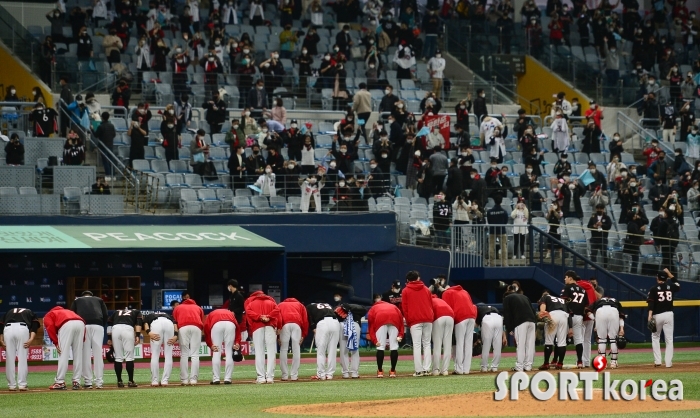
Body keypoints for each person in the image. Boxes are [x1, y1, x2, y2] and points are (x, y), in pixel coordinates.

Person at [70, 291, 108, 389]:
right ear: (91, 295)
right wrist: (101, 325)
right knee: (98, 353)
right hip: (98, 325)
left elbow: (72, 315)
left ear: (83, 295)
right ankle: (99, 382)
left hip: (84, 324)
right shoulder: (99, 300)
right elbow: (105, 315)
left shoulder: (77, 300)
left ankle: (88, 382)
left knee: (85, 354)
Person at [44, 306, 85, 390]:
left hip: (66, 324)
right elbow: (80, 320)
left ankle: (60, 382)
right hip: (81, 323)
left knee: (63, 354)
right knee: (78, 355)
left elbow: (50, 327)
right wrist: (83, 339)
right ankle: (76, 381)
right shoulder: (69, 311)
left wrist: (55, 342)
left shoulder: (49, 314)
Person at [402, 270, 434, 377]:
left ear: (408, 280)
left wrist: (408, 320)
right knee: (427, 344)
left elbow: (405, 308)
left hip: (415, 320)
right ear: (418, 278)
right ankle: (426, 369)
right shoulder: (426, 289)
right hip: (428, 318)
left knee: (416, 345)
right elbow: (430, 304)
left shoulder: (406, 290)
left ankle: (419, 370)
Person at [245, 290, 280, 384]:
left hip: (257, 327)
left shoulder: (251, 303)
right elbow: (277, 311)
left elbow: (248, 313)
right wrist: (268, 317)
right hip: (270, 326)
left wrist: (259, 317)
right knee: (271, 351)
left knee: (259, 352)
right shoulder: (271, 302)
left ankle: (261, 377)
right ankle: (270, 377)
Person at [1, 307, 40, 391]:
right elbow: (35, 325)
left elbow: (1, 324)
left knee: (9, 359)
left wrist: (1, 339)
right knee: (22, 358)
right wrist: (31, 339)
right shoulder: (29, 311)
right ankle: (22, 384)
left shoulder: (9, 311)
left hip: (8, 329)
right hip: (22, 329)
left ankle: (11, 385)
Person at [647, 268, 679, 368]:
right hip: (669, 314)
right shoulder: (671, 287)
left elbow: (651, 304)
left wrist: (649, 316)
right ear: (666, 278)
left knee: (655, 337)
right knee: (669, 339)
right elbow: (678, 284)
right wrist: (670, 274)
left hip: (658, 315)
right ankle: (668, 363)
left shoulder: (653, 288)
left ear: (658, 278)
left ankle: (658, 361)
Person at [442, 285, 477, 374]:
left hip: (460, 317)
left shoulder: (447, 293)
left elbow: (447, 308)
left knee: (460, 343)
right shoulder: (464, 291)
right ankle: (466, 369)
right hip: (472, 316)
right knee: (468, 344)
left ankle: (459, 369)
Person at [502, 285, 536, 372]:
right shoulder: (524, 296)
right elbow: (533, 310)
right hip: (532, 321)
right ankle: (528, 366)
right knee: (530, 345)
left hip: (521, 322)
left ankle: (519, 367)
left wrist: (509, 328)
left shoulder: (507, 298)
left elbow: (507, 314)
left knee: (520, 345)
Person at [367, 300, 405, 378]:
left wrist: (375, 341)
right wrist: (400, 335)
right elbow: (401, 322)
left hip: (380, 319)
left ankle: (380, 371)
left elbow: (371, 327)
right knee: (394, 347)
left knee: (380, 347)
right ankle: (392, 371)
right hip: (394, 318)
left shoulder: (373, 308)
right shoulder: (394, 307)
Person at [106, 307, 142, 388]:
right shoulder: (136, 311)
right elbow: (139, 323)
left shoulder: (116, 311)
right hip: (127, 328)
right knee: (129, 357)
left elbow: (109, 323)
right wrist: (138, 336)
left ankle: (119, 381)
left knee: (118, 357)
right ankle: (130, 381)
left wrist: (109, 338)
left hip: (115, 329)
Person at [172, 297, 204, 386]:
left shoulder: (178, 308)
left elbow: (175, 321)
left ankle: (184, 380)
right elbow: (201, 319)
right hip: (196, 327)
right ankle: (194, 379)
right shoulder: (198, 307)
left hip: (183, 327)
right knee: (195, 354)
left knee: (184, 354)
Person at [204, 308, 241, 385]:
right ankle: (228, 379)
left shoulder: (211, 314)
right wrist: (237, 342)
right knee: (229, 352)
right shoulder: (230, 313)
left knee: (216, 351)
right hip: (230, 324)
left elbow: (206, 328)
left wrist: (210, 344)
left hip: (216, 324)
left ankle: (216, 379)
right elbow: (237, 328)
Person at [560, 271, 588, 368]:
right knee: (579, 340)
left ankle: (559, 362)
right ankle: (580, 361)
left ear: (571, 278)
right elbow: (586, 306)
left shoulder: (567, 288)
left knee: (560, 339)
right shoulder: (583, 290)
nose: (565, 279)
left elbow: (563, 302)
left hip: (568, 316)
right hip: (579, 316)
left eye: (566, 277)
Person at [589, 295, 625, 369]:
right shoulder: (615, 300)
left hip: (600, 312)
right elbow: (621, 316)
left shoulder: (598, 301)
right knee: (613, 339)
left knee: (602, 340)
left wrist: (596, 320)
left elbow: (588, 311)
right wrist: (621, 328)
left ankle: (602, 363)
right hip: (614, 311)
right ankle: (613, 362)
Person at [306, 301, 340, 380]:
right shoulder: (328, 304)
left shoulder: (309, 307)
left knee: (321, 350)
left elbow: (309, 318)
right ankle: (330, 374)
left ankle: (321, 374)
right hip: (335, 322)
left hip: (323, 323)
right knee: (332, 350)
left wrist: (313, 327)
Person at [278, 297, 308, 381]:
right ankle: (294, 375)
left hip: (284, 325)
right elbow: (305, 320)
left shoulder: (280, 305)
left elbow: (277, 319)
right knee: (296, 349)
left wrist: (277, 335)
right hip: (297, 325)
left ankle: (284, 375)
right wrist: (304, 334)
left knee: (283, 349)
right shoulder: (300, 305)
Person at [537, 291, 569, 370]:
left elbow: (543, 306)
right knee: (562, 342)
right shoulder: (560, 299)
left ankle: (546, 363)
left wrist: (542, 313)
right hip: (564, 316)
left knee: (549, 341)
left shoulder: (545, 296)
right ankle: (560, 363)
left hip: (553, 315)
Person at [336, 303, 366, 379]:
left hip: (343, 325)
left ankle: (346, 373)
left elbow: (335, 314)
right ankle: (354, 373)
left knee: (344, 351)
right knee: (354, 350)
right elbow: (364, 310)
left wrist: (348, 308)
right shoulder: (358, 308)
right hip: (354, 325)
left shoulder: (340, 308)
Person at [476, 304, 506, 372]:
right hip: (499, 318)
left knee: (486, 344)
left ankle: (484, 367)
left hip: (487, 318)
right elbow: (502, 327)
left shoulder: (478, 310)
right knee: (497, 344)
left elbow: (476, 325)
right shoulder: (493, 308)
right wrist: (504, 336)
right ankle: (495, 367)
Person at [429, 295, 454, 376]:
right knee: (447, 344)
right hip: (450, 316)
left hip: (439, 316)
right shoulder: (440, 300)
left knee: (437, 344)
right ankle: (445, 370)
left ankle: (436, 369)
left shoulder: (429, 301)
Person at [487, 194, 509, 266]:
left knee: (491, 247)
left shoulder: (489, 212)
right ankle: (504, 264)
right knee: (503, 247)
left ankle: (491, 263)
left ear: (494, 201)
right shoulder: (504, 212)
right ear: (501, 201)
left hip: (492, 230)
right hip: (502, 231)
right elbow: (506, 221)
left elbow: (489, 221)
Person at [587, 203, 612, 267]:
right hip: (594, 238)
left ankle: (605, 267)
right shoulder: (593, 217)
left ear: (603, 209)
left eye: (601, 209)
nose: (599, 210)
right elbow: (588, 226)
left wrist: (602, 225)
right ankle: (593, 266)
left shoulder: (607, 218)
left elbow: (609, 226)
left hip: (603, 238)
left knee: (604, 254)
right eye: (598, 209)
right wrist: (593, 226)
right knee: (593, 253)